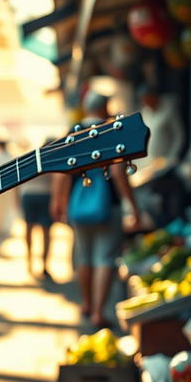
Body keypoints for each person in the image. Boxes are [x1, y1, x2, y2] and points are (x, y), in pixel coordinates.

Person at [51, 89, 140, 329]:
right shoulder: (111, 131)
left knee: (84, 256)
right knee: (105, 258)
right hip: (107, 205)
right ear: (104, 108)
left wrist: (58, 202)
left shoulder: (74, 131)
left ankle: (87, 303)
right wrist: (133, 207)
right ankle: (99, 312)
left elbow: (61, 172)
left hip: (78, 204)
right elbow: (117, 172)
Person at [133, 83, 187, 226]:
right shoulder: (145, 113)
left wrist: (173, 157)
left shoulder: (168, 110)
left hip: (165, 163)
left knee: (167, 198)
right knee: (149, 199)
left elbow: (178, 135)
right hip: (148, 165)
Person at [18, 138, 56, 279]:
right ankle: (44, 265)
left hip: (28, 196)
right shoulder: (54, 158)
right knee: (46, 232)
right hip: (45, 196)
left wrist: (17, 200)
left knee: (29, 229)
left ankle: (29, 261)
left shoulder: (31, 157)